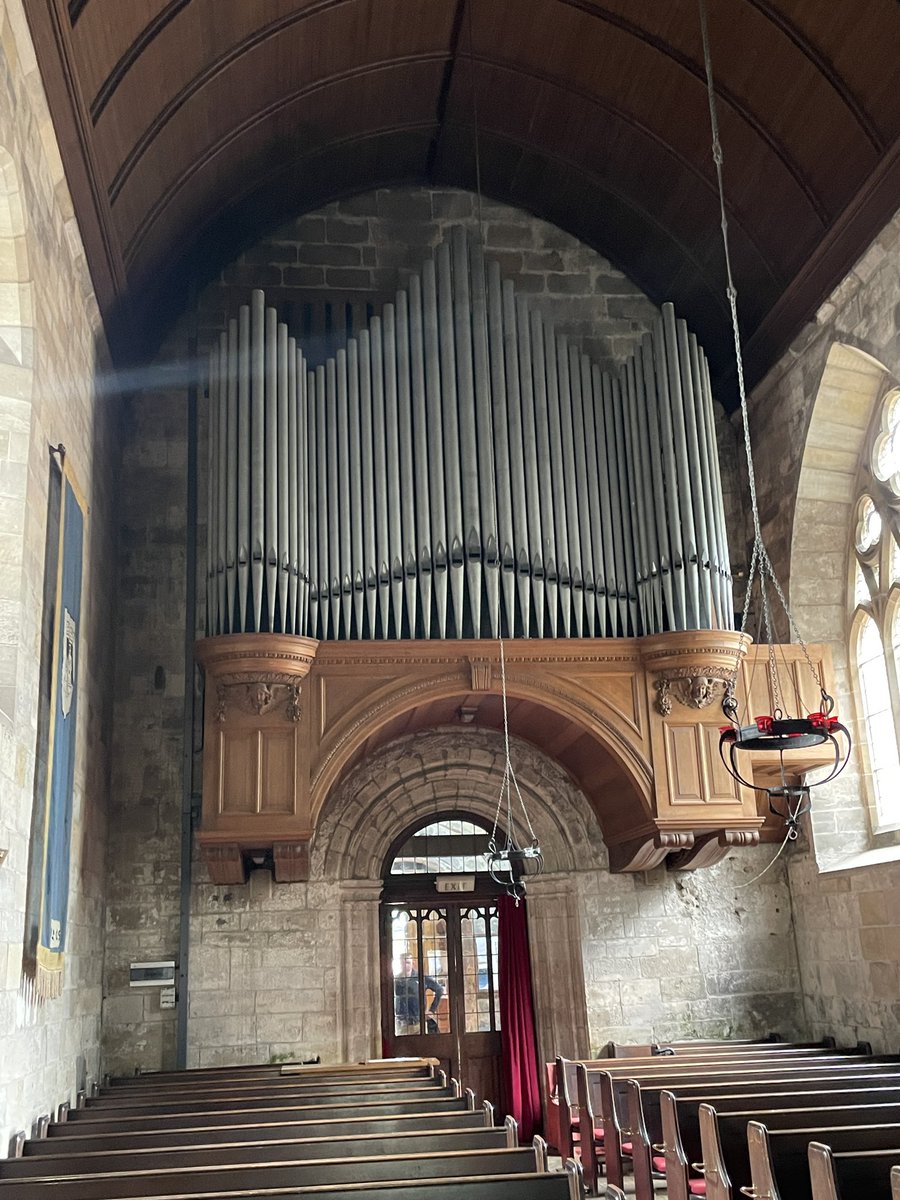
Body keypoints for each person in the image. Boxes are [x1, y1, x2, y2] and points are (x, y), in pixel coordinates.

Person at [394, 953, 444, 1033]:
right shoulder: (396, 980)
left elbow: (439, 990)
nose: (405, 965)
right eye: (403, 963)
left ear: (412, 963)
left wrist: (432, 1010)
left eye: (408, 962)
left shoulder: (421, 978)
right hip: (401, 1024)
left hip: (418, 1023)